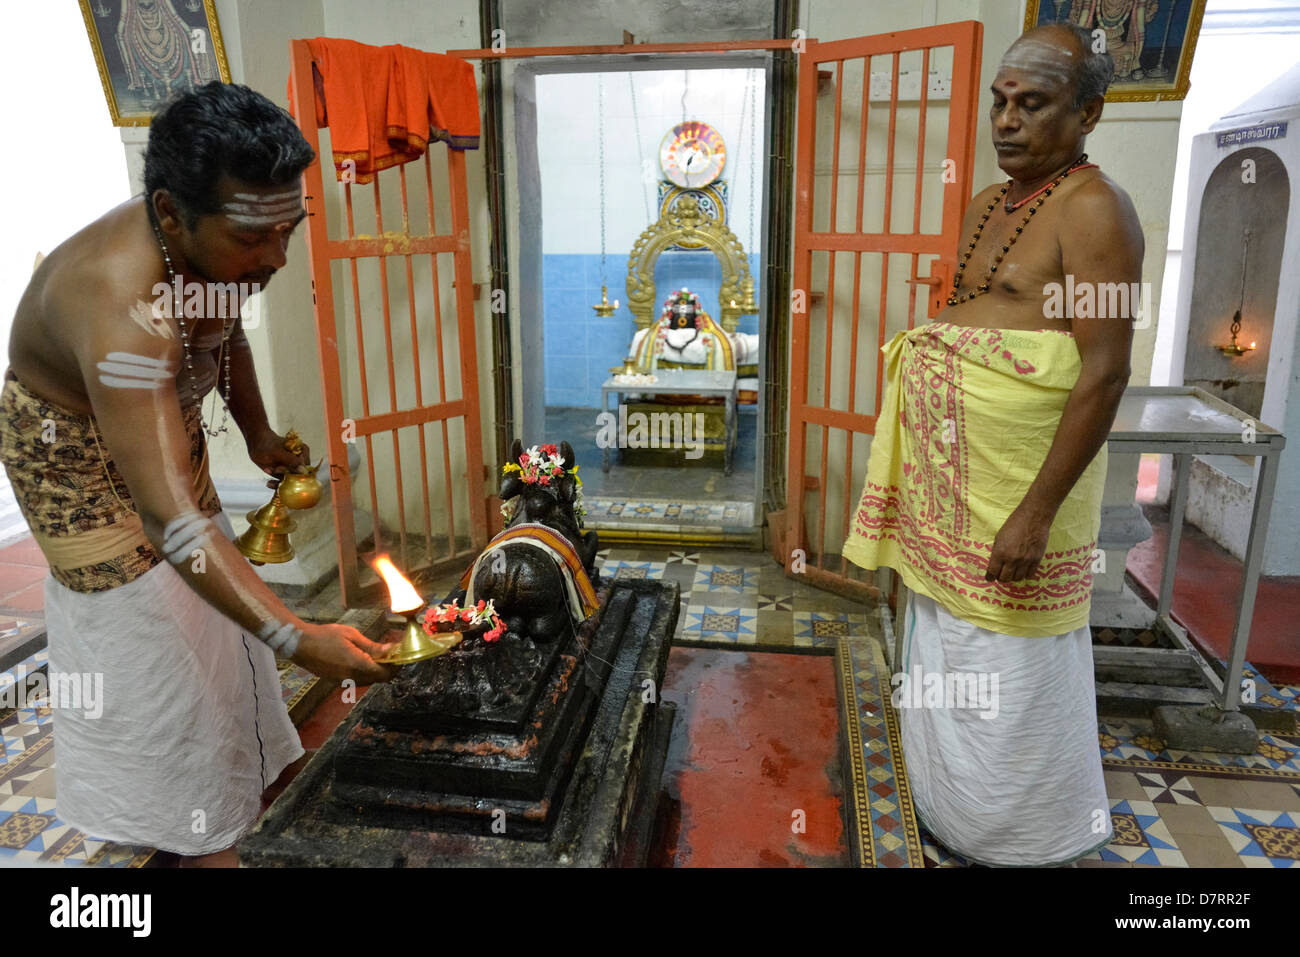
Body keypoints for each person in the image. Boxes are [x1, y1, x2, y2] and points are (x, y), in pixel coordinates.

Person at [0, 81, 395, 862]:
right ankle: (193, 828)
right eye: (256, 239)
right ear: (173, 213)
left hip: (155, 424)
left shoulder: (216, 252)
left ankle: (232, 788)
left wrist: (254, 430)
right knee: (158, 647)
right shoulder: (122, 304)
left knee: (218, 632)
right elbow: (167, 519)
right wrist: (297, 635)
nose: (277, 259)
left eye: (291, 229)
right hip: (76, 470)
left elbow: (228, 335)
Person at [843, 23, 1143, 866]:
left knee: (1011, 666)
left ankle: (1022, 837)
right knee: (944, 642)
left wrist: (1035, 514)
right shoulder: (988, 202)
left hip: (1018, 498)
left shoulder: (1097, 210)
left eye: (1033, 104)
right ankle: (949, 806)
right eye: (1000, 102)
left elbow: (1105, 372)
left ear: (1087, 113)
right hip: (951, 495)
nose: (1007, 122)